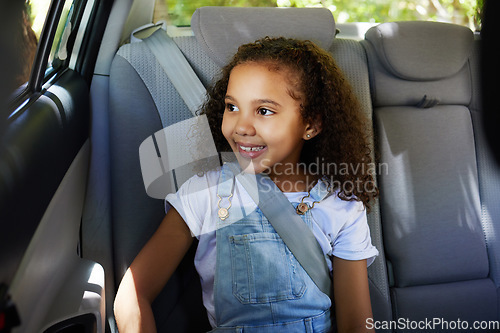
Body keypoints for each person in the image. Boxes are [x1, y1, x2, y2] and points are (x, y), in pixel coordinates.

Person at [114, 37, 379, 333]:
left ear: (311, 125)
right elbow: (132, 293)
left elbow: (357, 324)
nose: (241, 127)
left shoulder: (341, 205)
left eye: (264, 111)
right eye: (232, 107)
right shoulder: (205, 195)